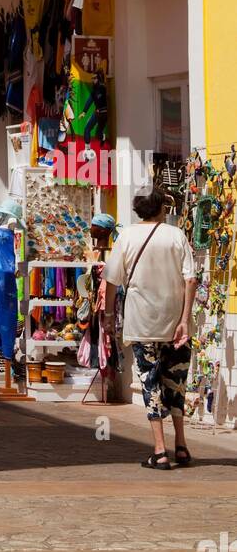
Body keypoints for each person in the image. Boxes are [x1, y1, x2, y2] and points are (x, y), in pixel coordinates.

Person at [104, 184, 197, 470]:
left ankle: (159, 450)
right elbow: (191, 279)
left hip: (143, 322)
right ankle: (181, 445)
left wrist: (108, 316)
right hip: (176, 324)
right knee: (176, 383)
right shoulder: (176, 235)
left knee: (150, 382)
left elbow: (111, 280)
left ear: (137, 208)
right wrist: (184, 319)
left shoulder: (127, 236)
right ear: (161, 208)